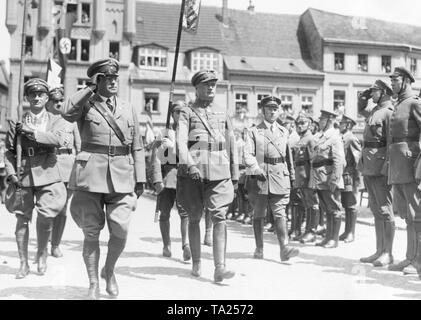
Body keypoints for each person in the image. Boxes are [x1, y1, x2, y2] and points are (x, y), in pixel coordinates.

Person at [61, 58, 146, 299]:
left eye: (114, 78)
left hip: (122, 174)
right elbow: (66, 112)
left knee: (120, 229)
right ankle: (92, 283)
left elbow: (137, 146)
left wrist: (140, 177)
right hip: (90, 175)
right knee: (91, 232)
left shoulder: (128, 108)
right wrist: (88, 88)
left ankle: (108, 271)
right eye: (106, 78)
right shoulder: (86, 105)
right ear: (97, 80)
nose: (112, 82)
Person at [176, 69, 238, 283]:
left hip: (220, 170)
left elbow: (231, 142)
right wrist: (189, 164)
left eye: (213, 84)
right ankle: (196, 262)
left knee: (219, 216)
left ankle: (220, 267)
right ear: (197, 88)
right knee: (194, 217)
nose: (211, 88)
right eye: (206, 85)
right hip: (194, 172)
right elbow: (180, 142)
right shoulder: (187, 112)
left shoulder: (223, 111)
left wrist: (235, 172)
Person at [4, 78, 67, 279]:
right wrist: (12, 173)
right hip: (24, 174)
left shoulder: (55, 119)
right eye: (33, 94)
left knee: (47, 216)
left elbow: (57, 140)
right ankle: (23, 263)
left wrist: (33, 132)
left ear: (47, 98)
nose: (37, 97)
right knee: (21, 219)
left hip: (48, 172)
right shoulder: (17, 122)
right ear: (27, 97)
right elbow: (9, 152)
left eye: (41, 94)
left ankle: (41, 254)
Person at [244, 96, 299, 261]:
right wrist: (255, 168)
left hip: (280, 176)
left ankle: (284, 248)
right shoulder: (254, 131)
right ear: (263, 111)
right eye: (269, 109)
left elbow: (288, 156)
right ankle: (259, 248)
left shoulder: (284, 131)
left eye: (275, 109)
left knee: (280, 212)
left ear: (279, 111)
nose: (273, 112)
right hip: (261, 177)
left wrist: (291, 175)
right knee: (259, 214)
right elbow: (247, 153)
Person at [387, 67, 421, 275]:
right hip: (398, 162)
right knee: (407, 214)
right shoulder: (399, 103)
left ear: (406, 81)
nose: (392, 83)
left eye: (395, 80)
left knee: (416, 213)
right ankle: (410, 256)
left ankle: (418, 261)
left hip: (409, 161)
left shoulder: (414, 103)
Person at [358, 80, 395, 267]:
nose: (371, 94)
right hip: (369, 166)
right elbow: (361, 109)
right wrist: (364, 97)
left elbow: (391, 142)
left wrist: (387, 166)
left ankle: (388, 253)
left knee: (385, 210)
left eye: (374, 91)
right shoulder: (374, 111)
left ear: (384, 93)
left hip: (380, 167)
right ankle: (379, 250)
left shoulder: (389, 113)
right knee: (375, 210)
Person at [151, 100, 191, 261]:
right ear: (172, 114)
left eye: (183, 112)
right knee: (164, 214)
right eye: (176, 112)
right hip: (168, 176)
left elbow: (192, 154)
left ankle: (186, 244)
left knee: (185, 213)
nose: (179, 115)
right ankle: (167, 245)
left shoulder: (191, 132)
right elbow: (156, 158)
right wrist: (157, 179)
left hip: (184, 176)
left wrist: (173, 146)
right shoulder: (164, 132)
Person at [46, 86, 81, 258]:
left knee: (62, 208)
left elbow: (79, 148)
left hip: (68, 166)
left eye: (61, 100)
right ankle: (46, 237)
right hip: (49, 166)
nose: (59, 103)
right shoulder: (45, 121)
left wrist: (80, 170)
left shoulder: (72, 121)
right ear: (49, 103)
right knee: (49, 205)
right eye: (55, 101)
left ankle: (55, 244)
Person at [310, 109, 345, 248]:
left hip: (329, 179)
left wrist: (334, 180)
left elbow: (339, 160)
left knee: (334, 208)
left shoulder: (335, 137)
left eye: (322, 119)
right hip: (320, 179)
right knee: (326, 208)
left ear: (329, 120)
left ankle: (333, 239)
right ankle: (328, 237)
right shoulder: (321, 136)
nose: (319, 121)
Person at [291, 113, 319, 244]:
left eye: (303, 123)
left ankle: (311, 232)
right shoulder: (300, 139)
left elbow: (314, 162)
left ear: (309, 125)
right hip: (301, 177)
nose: (299, 125)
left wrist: (313, 180)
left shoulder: (310, 139)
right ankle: (306, 231)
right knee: (307, 205)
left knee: (312, 204)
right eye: (298, 123)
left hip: (308, 177)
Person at [338, 113, 361, 244]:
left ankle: (351, 233)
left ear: (348, 125)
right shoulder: (342, 137)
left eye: (341, 123)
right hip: (343, 175)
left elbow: (358, 159)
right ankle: (346, 231)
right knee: (345, 204)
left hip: (350, 177)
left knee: (351, 205)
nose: (339, 125)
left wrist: (356, 180)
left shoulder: (351, 138)